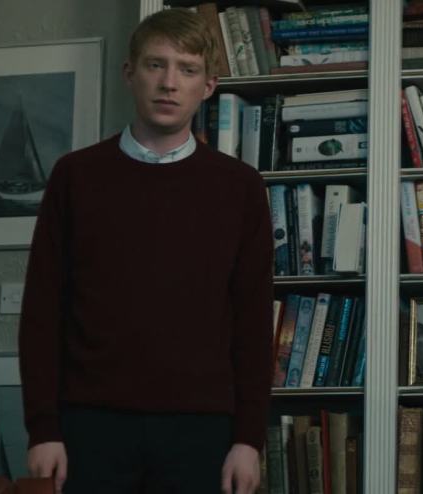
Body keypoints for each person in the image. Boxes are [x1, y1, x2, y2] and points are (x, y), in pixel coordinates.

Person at [18, 9, 273, 494]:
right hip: (88, 425)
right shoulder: (75, 176)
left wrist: (248, 439)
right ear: (129, 73)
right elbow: (42, 311)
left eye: (187, 69)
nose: (169, 83)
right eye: (156, 65)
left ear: (209, 85)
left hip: (203, 430)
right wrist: (43, 428)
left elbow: (253, 320)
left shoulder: (239, 187)